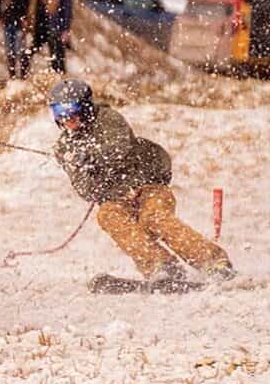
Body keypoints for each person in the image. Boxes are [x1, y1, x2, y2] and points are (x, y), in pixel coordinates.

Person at [48, 80, 235, 291]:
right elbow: (85, 190)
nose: (67, 118)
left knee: (154, 218)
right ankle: (160, 264)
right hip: (116, 198)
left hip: (148, 186)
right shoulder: (65, 147)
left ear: (86, 108)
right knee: (107, 216)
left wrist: (91, 157)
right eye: (59, 113)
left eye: (72, 110)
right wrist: (81, 169)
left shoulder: (109, 120)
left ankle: (213, 261)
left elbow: (119, 149)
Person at [32, 0, 73, 73]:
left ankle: (61, 75)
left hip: (59, 29)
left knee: (59, 57)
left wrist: (66, 30)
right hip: (51, 28)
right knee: (53, 56)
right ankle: (56, 74)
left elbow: (67, 14)